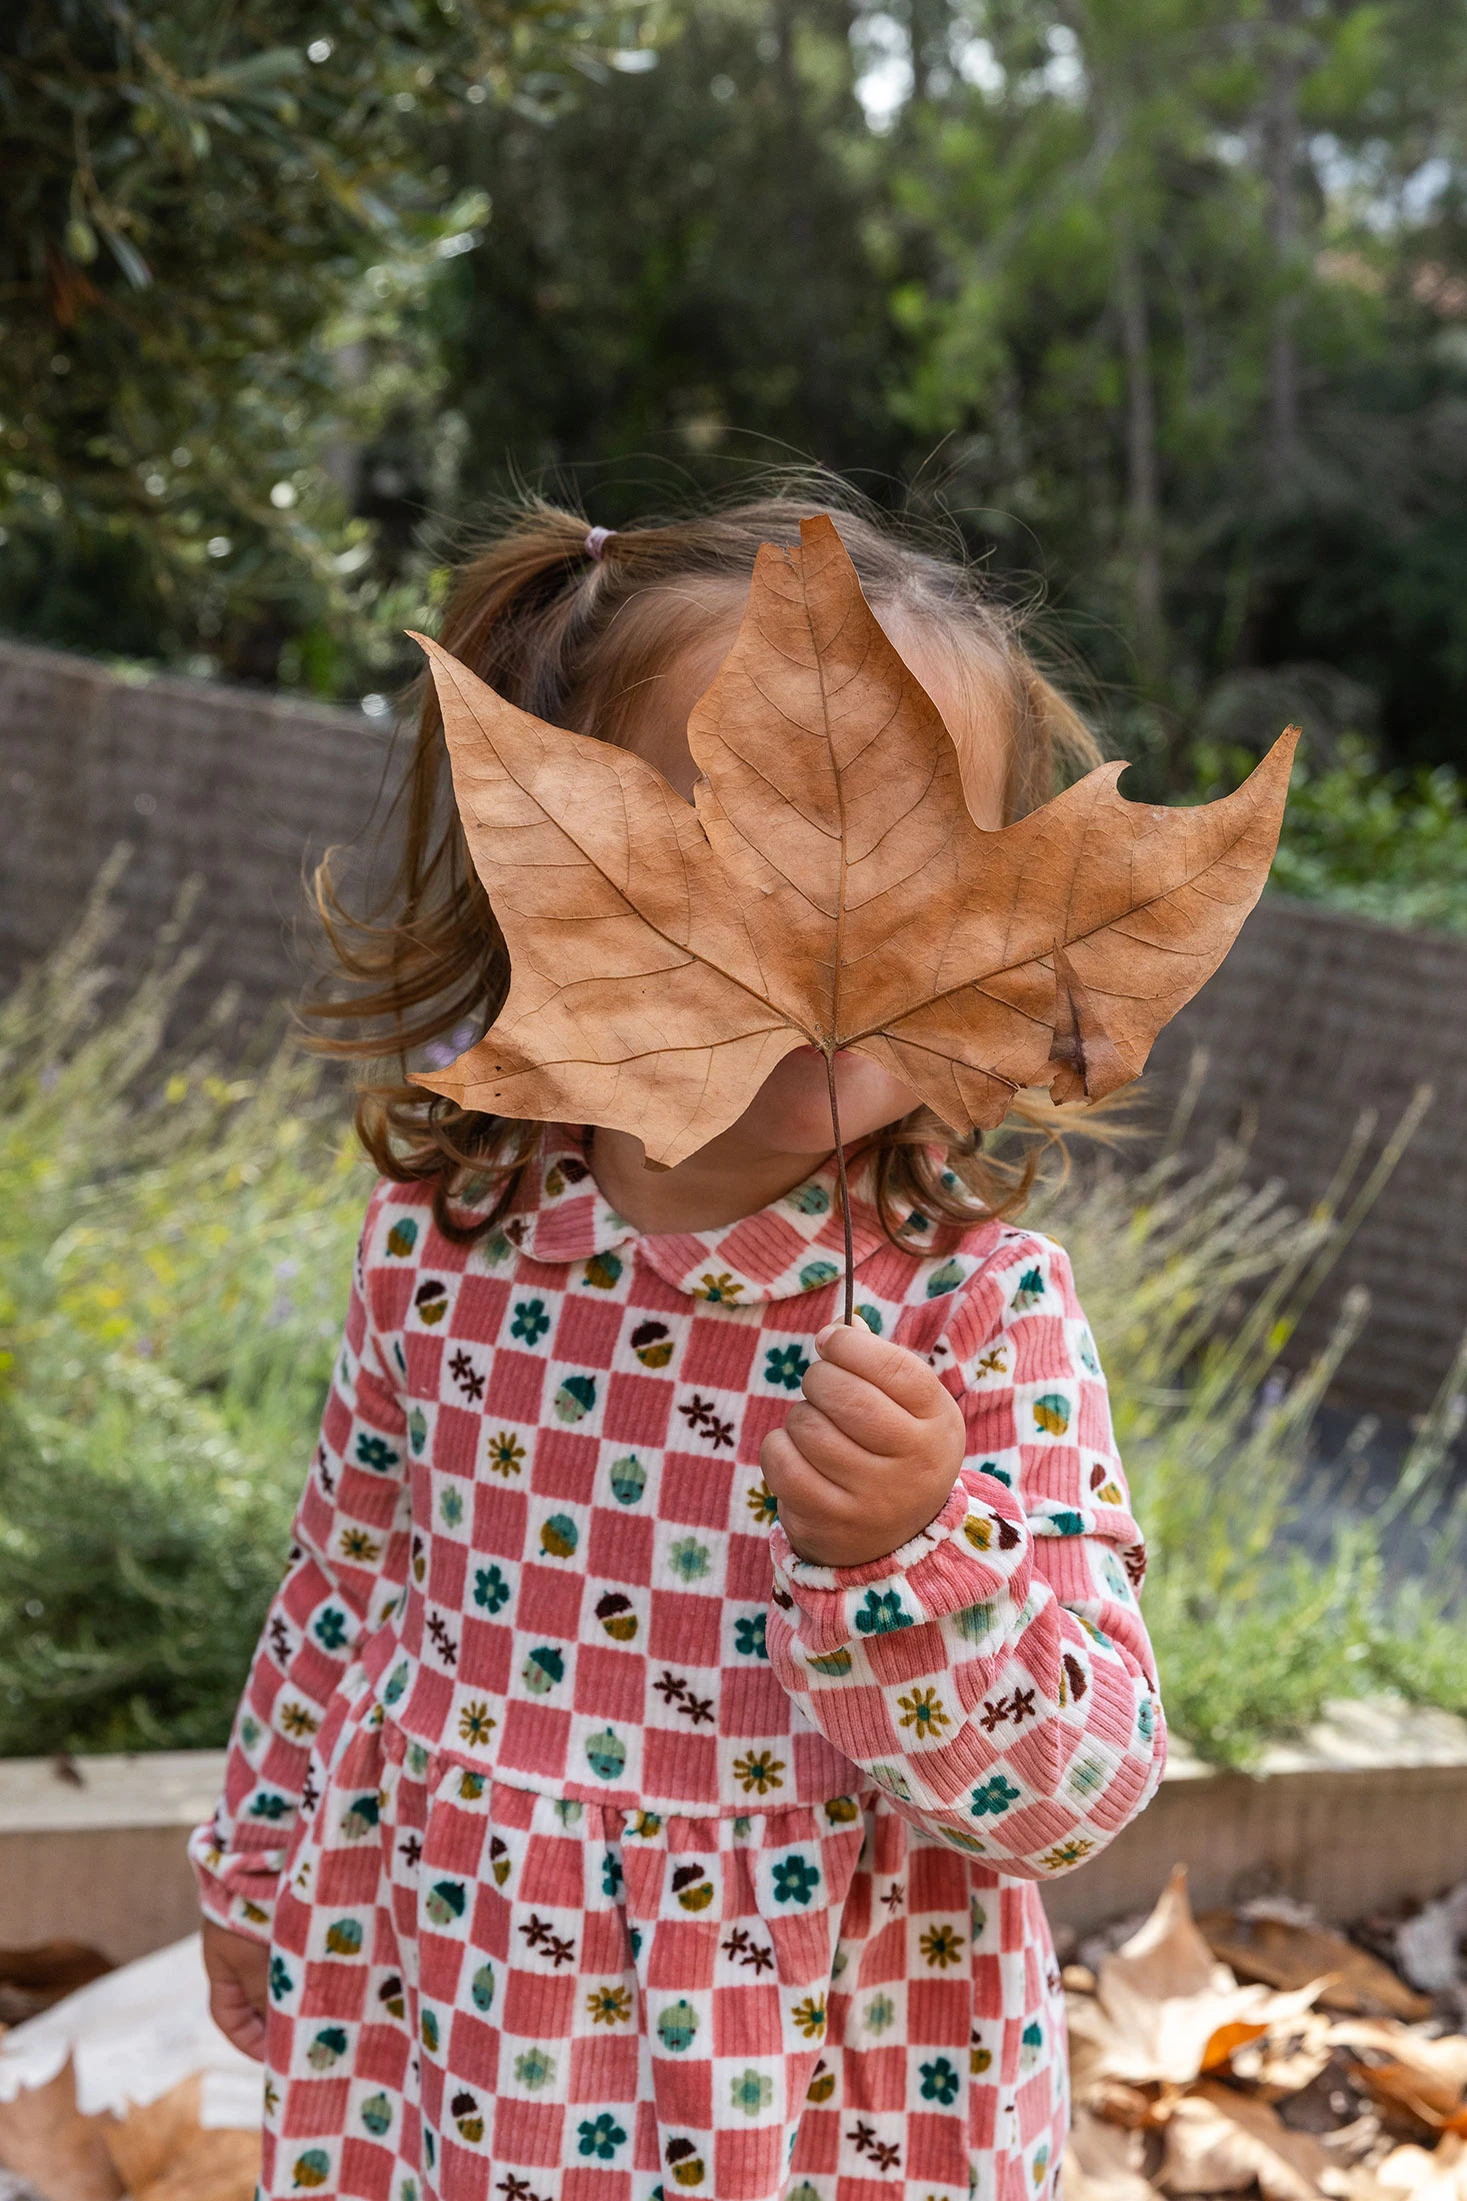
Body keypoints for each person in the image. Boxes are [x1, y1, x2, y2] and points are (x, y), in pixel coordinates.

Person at [193, 490, 1167, 2201]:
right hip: (459, 1996)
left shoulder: (974, 1315)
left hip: (817, 2079)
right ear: (556, 881)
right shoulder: (445, 1250)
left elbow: (1066, 1796)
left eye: (913, 874)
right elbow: (344, 1587)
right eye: (733, 857)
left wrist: (910, 1556)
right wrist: (256, 1863)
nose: (832, 941)